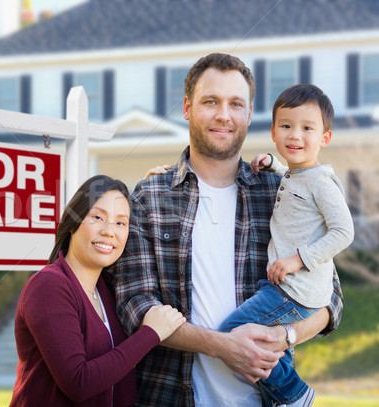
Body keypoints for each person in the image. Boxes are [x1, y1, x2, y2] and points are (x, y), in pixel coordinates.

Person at [113, 53, 344, 407]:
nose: (224, 114)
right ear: (188, 108)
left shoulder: (278, 190)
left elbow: (329, 295)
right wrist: (224, 346)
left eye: (236, 103)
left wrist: (285, 335)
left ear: (249, 114)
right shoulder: (150, 196)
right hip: (169, 395)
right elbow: (135, 304)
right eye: (211, 102)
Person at [215, 84, 355, 407]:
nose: (295, 135)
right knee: (274, 347)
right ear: (274, 133)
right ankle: (281, 400)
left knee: (232, 332)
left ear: (324, 138)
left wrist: (297, 260)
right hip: (284, 286)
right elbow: (295, 187)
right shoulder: (295, 175)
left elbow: (343, 231)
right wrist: (273, 166)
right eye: (287, 126)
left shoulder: (322, 181)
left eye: (307, 128)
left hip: (294, 289)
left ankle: (294, 393)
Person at [10, 175, 186, 407]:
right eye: (98, 217)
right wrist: (150, 333)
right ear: (73, 221)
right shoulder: (48, 286)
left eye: (120, 223)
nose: (109, 231)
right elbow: (79, 383)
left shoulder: (109, 288)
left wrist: (159, 182)